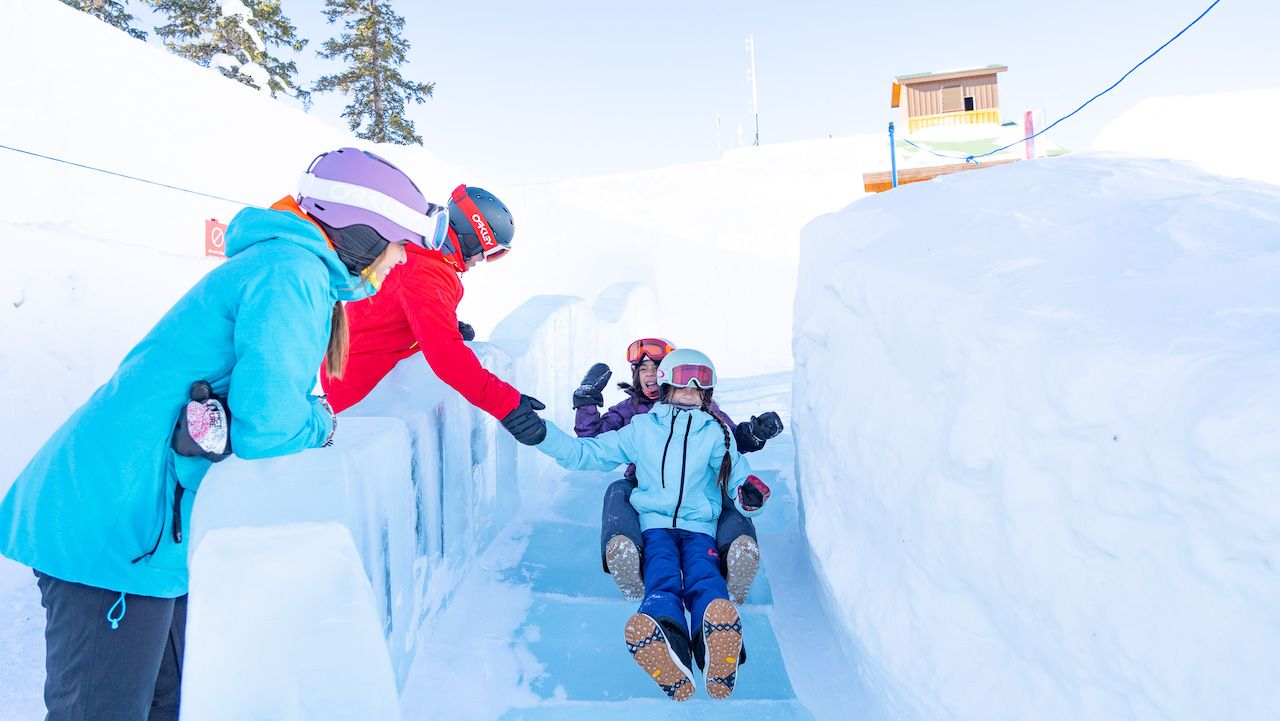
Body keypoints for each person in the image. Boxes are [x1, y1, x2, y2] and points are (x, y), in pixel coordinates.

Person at [0, 146, 442, 721]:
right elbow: (270, 425)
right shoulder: (292, 274)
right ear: (363, 233)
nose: (403, 258)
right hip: (116, 525)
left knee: (168, 702)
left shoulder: (290, 268)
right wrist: (322, 420)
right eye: (399, 241)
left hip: (150, 529)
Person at [523, 349, 774, 702]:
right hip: (655, 526)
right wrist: (542, 434)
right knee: (662, 580)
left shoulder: (717, 433)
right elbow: (588, 453)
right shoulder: (641, 429)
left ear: (708, 394)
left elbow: (737, 475)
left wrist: (750, 493)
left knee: (705, 578)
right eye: (684, 384)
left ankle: (715, 643)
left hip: (700, 526)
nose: (690, 391)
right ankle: (667, 646)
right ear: (668, 385)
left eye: (699, 387)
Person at [319, 180, 545, 440]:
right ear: (470, 237)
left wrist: (435, 326)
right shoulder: (427, 270)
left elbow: (386, 315)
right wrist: (509, 407)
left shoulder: (417, 249)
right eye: (485, 250)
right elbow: (447, 356)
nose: (481, 259)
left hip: (353, 377)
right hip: (364, 403)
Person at [573, 338, 783, 603]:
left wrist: (753, 434)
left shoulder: (700, 405)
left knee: (734, 494)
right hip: (649, 487)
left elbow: (729, 442)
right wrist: (585, 403)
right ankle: (625, 551)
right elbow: (592, 441)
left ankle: (737, 554)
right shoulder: (629, 411)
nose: (648, 374)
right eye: (642, 368)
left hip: (698, 487)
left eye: (656, 366)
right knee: (618, 491)